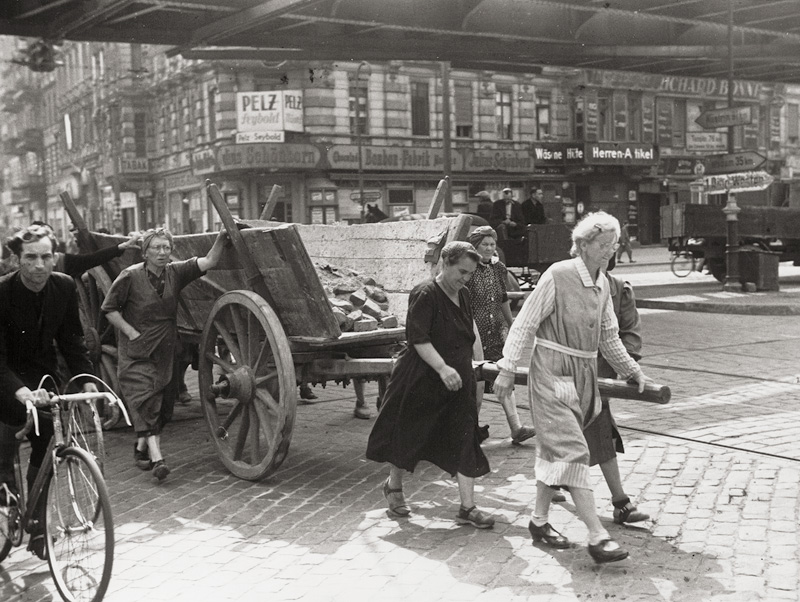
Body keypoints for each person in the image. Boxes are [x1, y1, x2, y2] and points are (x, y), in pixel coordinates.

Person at [494, 211, 653, 564]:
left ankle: (538, 521)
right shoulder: (558, 274)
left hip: (583, 374)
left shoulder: (602, 284)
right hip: (551, 372)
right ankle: (597, 535)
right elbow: (525, 322)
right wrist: (507, 367)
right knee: (572, 450)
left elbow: (609, 337)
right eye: (602, 244)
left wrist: (632, 370)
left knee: (554, 450)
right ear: (582, 245)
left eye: (613, 244)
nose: (609, 251)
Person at [366, 241, 496, 529]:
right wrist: (442, 368)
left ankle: (467, 507)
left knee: (465, 436)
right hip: (422, 377)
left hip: (456, 377)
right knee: (407, 434)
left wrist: (470, 366)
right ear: (445, 264)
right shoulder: (425, 293)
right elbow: (419, 339)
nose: (465, 278)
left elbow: (466, 334)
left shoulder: (462, 295)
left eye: (470, 274)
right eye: (461, 271)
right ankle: (394, 487)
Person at [0, 224, 99, 559]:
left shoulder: (64, 285)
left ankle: (39, 526)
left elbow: (72, 340)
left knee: (46, 451)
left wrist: (86, 377)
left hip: (43, 380)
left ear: (54, 257)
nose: (39, 265)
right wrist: (20, 391)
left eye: (46, 256)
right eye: (30, 257)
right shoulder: (2, 292)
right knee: (4, 446)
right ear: (17, 259)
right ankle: (6, 493)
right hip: (6, 379)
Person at [101, 227, 228, 481]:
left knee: (164, 407)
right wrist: (130, 331)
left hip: (166, 348)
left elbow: (210, 261)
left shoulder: (176, 272)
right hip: (136, 350)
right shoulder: (129, 276)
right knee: (147, 400)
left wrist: (222, 237)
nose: (162, 252)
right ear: (144, 252)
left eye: (166, 248)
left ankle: (141, 448)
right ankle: (158, 459)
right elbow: (109, 309)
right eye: (156, 248)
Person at [585, 254, 649, 525]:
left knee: (596, 428)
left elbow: (629, 331)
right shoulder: (569, 283)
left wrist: (628, 365)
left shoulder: (620, 289)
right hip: (570, 368)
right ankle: (620, 503)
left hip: (603, 370)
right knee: (575, 432)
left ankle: (620, 503)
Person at [465, 226, 535, 445]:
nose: (488, 248)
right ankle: (470, 430)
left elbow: (503, 297)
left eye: (492, 244)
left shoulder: (499, 268)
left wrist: (511, 323)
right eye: (484, 244)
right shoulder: (467, 269)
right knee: (475, 383)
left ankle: (516, 428)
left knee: (504, 377)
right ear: (475, 246)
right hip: (475, 334)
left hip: (496, 332)